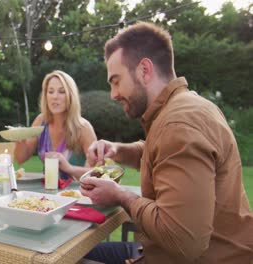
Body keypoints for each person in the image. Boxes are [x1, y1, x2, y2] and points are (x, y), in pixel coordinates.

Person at [81, 22, 253, 263]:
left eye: (116, 80)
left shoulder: (178, 125)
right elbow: (159, 154)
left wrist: (121, 196)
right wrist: (118, 150)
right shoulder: (184, 108)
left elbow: (183, 241)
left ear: (144, 70)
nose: (113, 94)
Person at [14, 70, 97, 180]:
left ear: (70, 96)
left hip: (76, 193)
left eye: (61, 92)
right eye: (50, 91)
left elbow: (96, 172)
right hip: (47, 192)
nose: (55, 97)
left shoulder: (83, 128)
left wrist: (70, 168)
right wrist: (21, 140)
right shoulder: (41, 121)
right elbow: (20, 159)